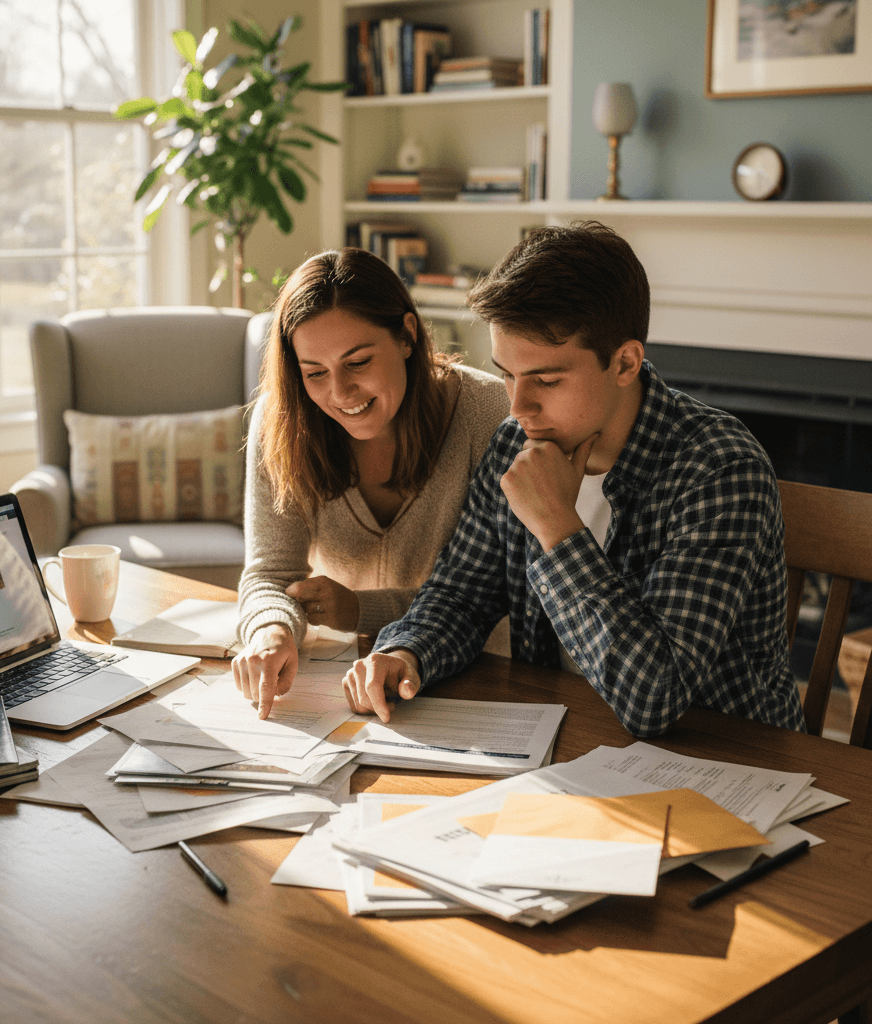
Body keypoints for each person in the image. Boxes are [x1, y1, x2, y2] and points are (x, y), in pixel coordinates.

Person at [345, 221, 806, 738]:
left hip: (725, 756)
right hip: (570, 736)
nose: (518, 407)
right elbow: (461, 594)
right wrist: (405, 652)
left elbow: (656, 698)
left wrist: (557, 527)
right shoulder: (514, 445)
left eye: (546, 379)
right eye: (507, 374)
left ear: (625, 362)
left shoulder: (719, 469)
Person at [233, 247, 511, 719]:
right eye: (314, 373)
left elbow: (489, 593)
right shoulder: (281, 422)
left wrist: (362, 609)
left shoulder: (489, 412)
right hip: (340, 684)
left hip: (477, 678)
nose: (339, 393)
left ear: (406, 336)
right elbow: (270, 575)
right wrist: (271, 631)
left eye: (358, 362)